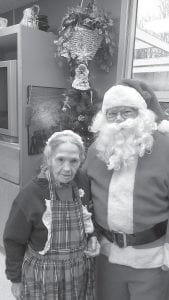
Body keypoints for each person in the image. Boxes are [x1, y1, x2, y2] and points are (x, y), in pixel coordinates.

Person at [83, 79, 169, 300]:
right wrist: (89, 235)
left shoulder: (165, 147)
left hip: (152, 259)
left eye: (127, 112)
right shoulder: (96, 150)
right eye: (112, 113)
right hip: (106, 255)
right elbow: (83, 198)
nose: (119, 119)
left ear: (142, 114)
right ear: (103, 118)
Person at [3, 130, 99, 300]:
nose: (67, 168)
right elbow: (13, 240)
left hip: (78, 272)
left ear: (81, 161)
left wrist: (92, 236)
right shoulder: (30, 195)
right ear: (49, 159)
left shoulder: (82, 182)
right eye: (60, 159)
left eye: (74, 161)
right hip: (44, 276)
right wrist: (16, 280)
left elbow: (88, 216)